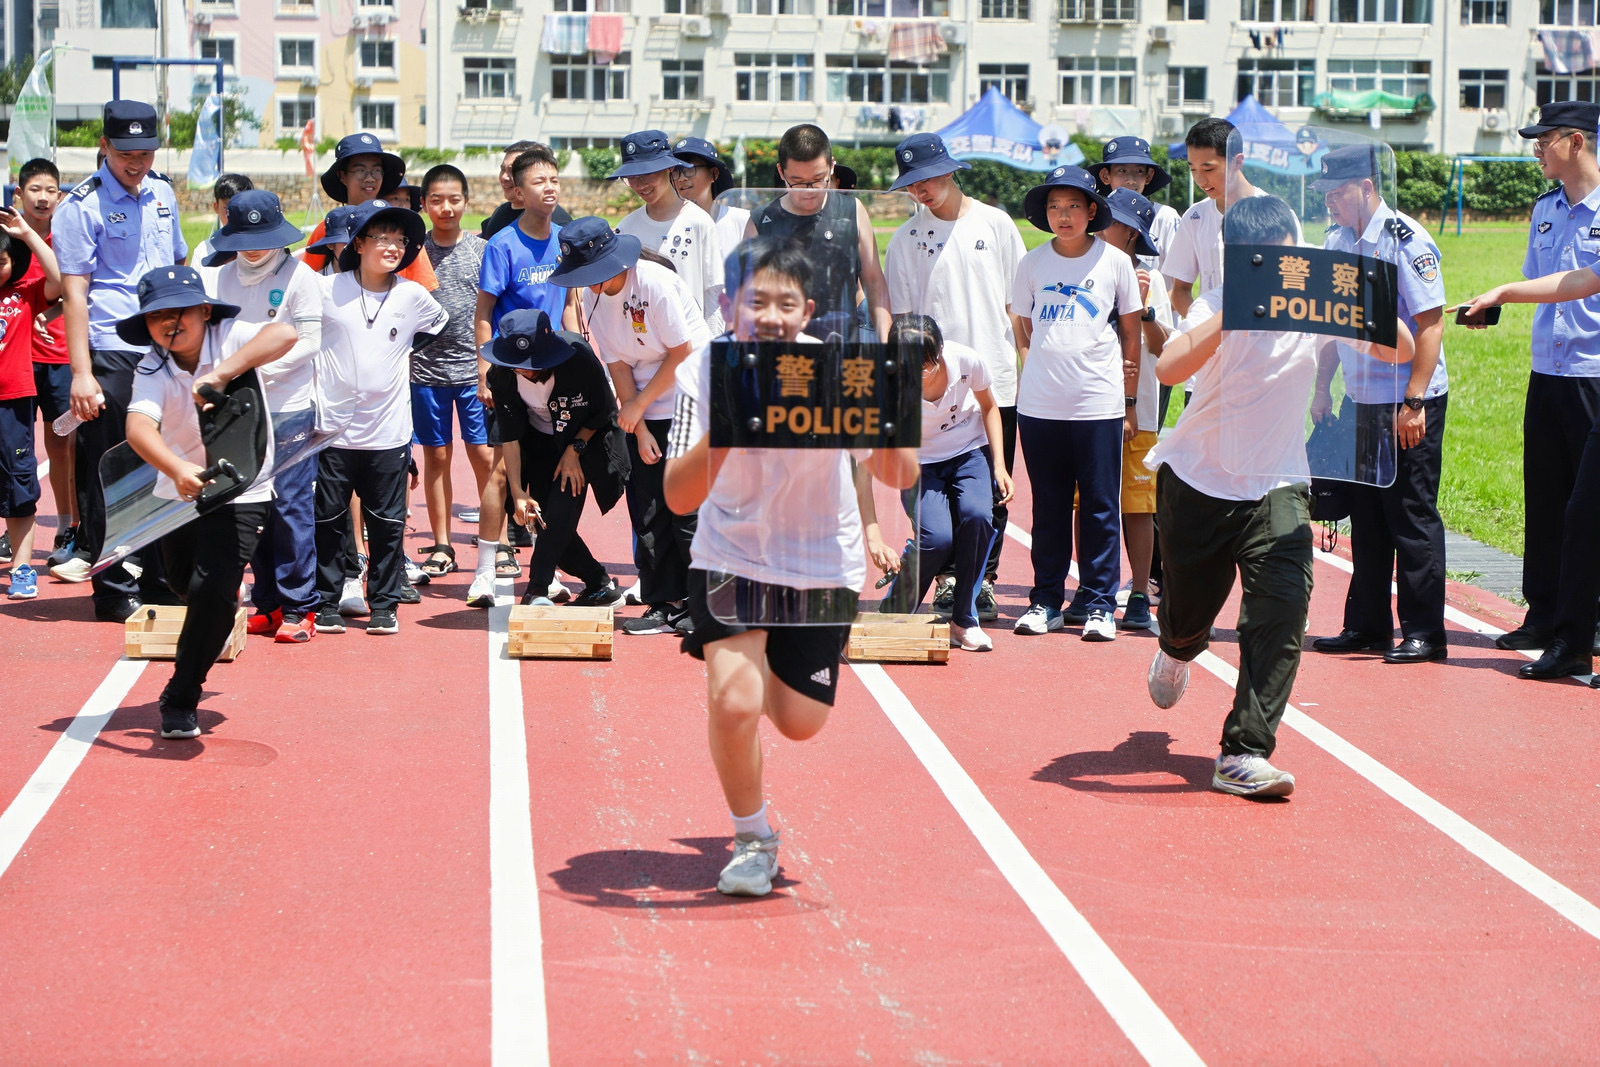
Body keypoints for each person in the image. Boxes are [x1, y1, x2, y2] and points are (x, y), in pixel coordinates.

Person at [662, 235, 919, 896]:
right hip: (731, 554)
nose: (771, 315)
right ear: (730, 306)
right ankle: (753, 837)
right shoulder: (703, 371)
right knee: (733, 699)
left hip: (818, 565)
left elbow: (898, 472)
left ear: (808, 311)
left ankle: (773, 662)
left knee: (801, 723)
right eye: (757, 302)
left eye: (786, 303)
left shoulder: (838, 371)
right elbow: (679, 495)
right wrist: (730, 424)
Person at [1144, 195, 1415, 798]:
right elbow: (1167, 367)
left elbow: (1401, 346)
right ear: (1236, 261)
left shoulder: (1312, 304)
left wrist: (1353, 297)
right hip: (1198, 484)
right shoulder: (1215, 305)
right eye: (1256, 261)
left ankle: (1244, 751)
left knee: (1284, 609)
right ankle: (1176, 646)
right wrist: (1238, 306)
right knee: (1189, 617)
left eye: (1284, 255)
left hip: (1278, 484)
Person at [119, 266, 297, 738]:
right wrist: (178, 471)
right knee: (183, 583)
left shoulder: (230, 333)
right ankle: (215, 607)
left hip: (242, 485)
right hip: (179, 492)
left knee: (210, 590)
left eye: (181, 310)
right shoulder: (151, 366)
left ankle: (181, 695)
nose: (170, 322)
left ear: (204, 311)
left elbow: (285, 333)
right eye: (158, 315)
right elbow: (137, 429)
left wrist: (220, 373)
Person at [1305, 145, 1451, 665]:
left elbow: (1430, 324)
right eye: (1325, 195)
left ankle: (1425, 632)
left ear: (1366, 187)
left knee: (1409, 516)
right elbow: (1330, 324)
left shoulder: (1405, 241)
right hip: (1361, 399)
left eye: (1338, 194)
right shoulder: (1336, 241)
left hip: (1407, 400)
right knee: (1365, 515)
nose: (1331, 205)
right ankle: (1366, 626)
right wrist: (1324, 388)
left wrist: (1413, 401)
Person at [52, 100, 189, 619]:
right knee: (112, 466)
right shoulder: (80, 206)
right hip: (112, 350)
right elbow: (75, 293)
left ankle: (159, 576)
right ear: (105, 146)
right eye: (127, 152)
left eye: (147, 151)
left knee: (164, 461)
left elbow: (176, 262)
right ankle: (112, 585)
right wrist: (82, 372)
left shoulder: (163, 192)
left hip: (165, 348)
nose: (137, 162)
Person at [883, 132, 1026, 623]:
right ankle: (946, 577)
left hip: (992, 376)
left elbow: (1016, 306)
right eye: (911, 184)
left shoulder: (997, 223)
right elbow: (902, 316)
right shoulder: (905, 239)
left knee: (990, 487)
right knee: (934, 488)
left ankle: (981, 580)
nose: (919, 191)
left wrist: (1022, 362)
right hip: (930, 379)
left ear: (948, 170)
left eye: (925, 179)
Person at [1459, 200, 1600, 681]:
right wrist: (1502, 293)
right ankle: (1552, 619)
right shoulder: (1546, 210)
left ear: (1576, 139)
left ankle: (1581, 626)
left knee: (1587, 514)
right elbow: (1574, 282)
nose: (1538, 150)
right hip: (1550, 366)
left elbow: (1584, 281)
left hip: (1591, 372)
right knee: (1554, 500)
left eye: (1546, 138)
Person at [553, 216, 710, 629]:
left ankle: (703, 605)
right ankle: (663, 600)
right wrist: (638, 428)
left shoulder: (654, 283)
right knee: (648, 508)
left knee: (687, 509)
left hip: (693, 398)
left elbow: (680, 355)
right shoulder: (594, 298)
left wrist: (638, 408)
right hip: (642, 403)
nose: (588, 284)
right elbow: (619, 365)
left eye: (592, 274)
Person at [1008, 166, 1142, 641]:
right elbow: (1021, 326)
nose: (1062, 216)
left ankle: (1101, 604)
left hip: (1097, 405)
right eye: (1053, 207)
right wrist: (1035, 367)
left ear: (1092, 211)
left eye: (1072, 206)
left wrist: (1128, 403)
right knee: (1049, 506)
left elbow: (1131, 334)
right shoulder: (1032, 263)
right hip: (1041, 408)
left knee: (1102, 507)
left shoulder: (1114, 263)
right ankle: (1046, 601)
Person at [311, 200, 447, 637]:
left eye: (400, 240)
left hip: (388, 433)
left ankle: (384, 604)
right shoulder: (326, 290)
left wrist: (394, 361)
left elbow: (437, 330)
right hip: (333, 432)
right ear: (359, 243)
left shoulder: (412, 295)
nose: (392, 247)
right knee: (328, 522)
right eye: (382, 238)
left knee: (387, 525)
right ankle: (327, 602)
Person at [200, 189, 324, 644]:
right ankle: (268, 602)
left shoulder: (300, 277)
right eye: (244, 237)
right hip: (239, 413)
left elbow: (310, 340)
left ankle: (300, 606)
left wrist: (255, 372)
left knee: (291, 507)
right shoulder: (216, 278)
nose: (253, 247)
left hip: (288, 409)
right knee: (250, 510)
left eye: (263, 237)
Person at [469, 144, 578, 608]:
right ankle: (484, 573)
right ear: (517, 188)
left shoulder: (566, 240)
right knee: (500, 471)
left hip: (555, 371)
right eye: (539, 181)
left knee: (545, 474)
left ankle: (545, 572)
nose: (549, 187)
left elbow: (571, 303)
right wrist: (484, 368)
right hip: (510, 371)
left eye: (554, 179)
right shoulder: (502, 244)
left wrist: (580, 355)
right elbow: (484, 311)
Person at [869, 315, 1013, 651]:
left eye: (927, 365)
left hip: (967, 451)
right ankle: (895, 614)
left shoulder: (966, 361)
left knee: (978, 516)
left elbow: (990, 407)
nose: (919, 373)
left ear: (941, 351)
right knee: (936, 539)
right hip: (918, 463)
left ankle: (964, 620)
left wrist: (1001, 467)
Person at [483, 309, 630, 607]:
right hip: (537, 444)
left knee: (562, 509)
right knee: (545, 521)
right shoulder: (501, 375)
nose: (526, 370)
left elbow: (603, 412)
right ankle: (600, 584)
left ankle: (536, 589)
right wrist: (517, 492)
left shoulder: (579, 359)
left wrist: (575, 450)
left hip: (586, 439)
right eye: (519, 366)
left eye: (533, 364)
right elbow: (510, 437)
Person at [1096, 188, 1175, 632]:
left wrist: (1143, 311)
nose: (1101, 227)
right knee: (1087, 502)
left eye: (1109, 221)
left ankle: (1142, 593)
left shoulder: (1151, 277)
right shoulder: (1083, 269)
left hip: (1137, 409)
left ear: (1129, 232)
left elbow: (1164, 350)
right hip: (1084, 406)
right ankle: (1095, 590)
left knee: (1138, 506)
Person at [412, 164, 492, 580]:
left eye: (454, 199)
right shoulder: (412, 253)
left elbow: (491, 311)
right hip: (424, 374)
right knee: (436, 457)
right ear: (423, 204)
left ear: (466, 202)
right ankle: (443, 544)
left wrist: (486, 370)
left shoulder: (482, 250)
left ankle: (497, 541)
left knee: (483, 456)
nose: (446, 207)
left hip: (473, 373)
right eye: (436, 200)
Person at [747, 124, 891, 343]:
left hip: (843, 345)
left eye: (817, 180)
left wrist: (885, 343)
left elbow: (873, 281)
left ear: (832, 167)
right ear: (780, 171)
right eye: (796, 182)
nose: (809, 191)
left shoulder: (852, 210)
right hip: (783, 349)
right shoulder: (761, 222)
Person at [1163, 117, 1301, 319]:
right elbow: (1180, 290)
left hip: (1264, 334)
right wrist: (1204, 333)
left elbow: (1294, 282)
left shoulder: (1278, 214)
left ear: (1237, 161)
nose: (1200, 179)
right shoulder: (1195, 217)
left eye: (1208, 169)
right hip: (1214, 342)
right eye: (1193, 169)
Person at [14, 158, 78, 570]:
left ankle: (68, 526)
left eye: (49, 190)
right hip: (15, 362)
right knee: (14, 451)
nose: (42, 197)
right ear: (19, 195)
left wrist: (51, 313)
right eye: (34, 189)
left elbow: (70, 290)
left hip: (60, 361)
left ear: (59, 196)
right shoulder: (6, 238)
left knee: (62, 444)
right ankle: (13, 528)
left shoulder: (68, 237)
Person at [0, 205, 62, 599]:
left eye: (1, 261)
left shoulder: (23, 295)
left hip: (13, 404)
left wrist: (27, 234)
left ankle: (22, 568)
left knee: (20, 486)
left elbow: (58, 278)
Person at [612, 129, 724, 333]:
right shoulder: (625, 229)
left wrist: (711, 349)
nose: (640, 185)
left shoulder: (699, 222)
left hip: (691, 346)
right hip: (644, 347)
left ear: (670, 168)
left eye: (647, 174)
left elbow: (713, 292)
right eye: (631, 177)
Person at [298, 134, 438, 291]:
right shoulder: (325, 230)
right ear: (342, 175)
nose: (370, 178)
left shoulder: (401, 227)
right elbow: (305, 284)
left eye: (376, 170)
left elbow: (423, 289)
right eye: (360, 170)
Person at [1089, 137, 1181, 266]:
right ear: (1105, 176)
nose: (1131, 180)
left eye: (1139, 171)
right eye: (1122, 171)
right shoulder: (1102, 217)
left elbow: (1181, 281)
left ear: (1148, 176)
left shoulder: (1166, 218)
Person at [670, 136, 750, 277]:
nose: (681, 178)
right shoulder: (667, 225)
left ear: (714, 174)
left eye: (690, 168)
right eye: (676, 171)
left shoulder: (743, 221)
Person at [479, 140, 574, 241]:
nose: (504, 177)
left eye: (512, 171)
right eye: (503, 169)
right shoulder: (501, 212)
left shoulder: (559, 224)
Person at [189, 173, 254, 267]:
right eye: (227, 208)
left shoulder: (261, 251)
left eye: (240, 208)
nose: (233, 215)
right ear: (216, 208)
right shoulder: (203, 251)